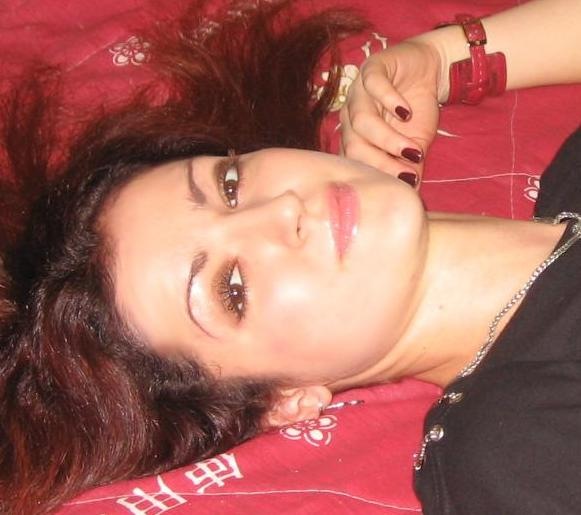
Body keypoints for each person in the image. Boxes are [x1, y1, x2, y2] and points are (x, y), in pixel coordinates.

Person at [0, 1, 579, 515]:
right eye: (232, 288)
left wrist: (442, 58)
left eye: (229, 186)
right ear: (283, 400)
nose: (280, 211)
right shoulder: (513, 448)